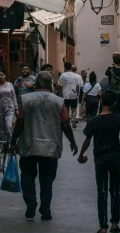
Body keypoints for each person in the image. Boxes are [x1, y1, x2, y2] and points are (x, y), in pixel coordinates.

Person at [10, 71, 78, 221]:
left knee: (27, 175)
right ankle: (45, 208)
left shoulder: (25, 99)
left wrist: (13, 142)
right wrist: (73, 142)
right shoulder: (58, 101)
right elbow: (65, 124)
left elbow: (19, 123)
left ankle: (31, 203)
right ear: (49, 85)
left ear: (37, 84)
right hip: (50, 147)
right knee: (47, 179)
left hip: (29, 145)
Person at [77, 89, 120, 233]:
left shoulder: (95, 121)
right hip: (115, 157)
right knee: (115, 190)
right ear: (114, 103)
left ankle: (103, 226)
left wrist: (81, 154)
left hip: (101, 159)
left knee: (102, 191)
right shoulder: (119, 119)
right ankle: (115, 224)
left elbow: (87, 139)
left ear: (101, 101)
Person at [0, 71, 16, 139]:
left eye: (2, 75)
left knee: (9, 125)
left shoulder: (10, 84)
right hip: (0, 106)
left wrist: (16, 107)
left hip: (10, 106)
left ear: (5, 76)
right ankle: (3, 145)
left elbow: (13, 96)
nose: (0, 77)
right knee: (1, 126)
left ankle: (11, 143)